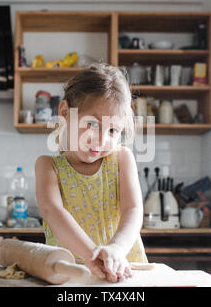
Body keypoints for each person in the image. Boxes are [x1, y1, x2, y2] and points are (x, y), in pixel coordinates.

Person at [35, 63, 147, 283]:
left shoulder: (122, 159)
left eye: (113, 130)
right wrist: (92, 255)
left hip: (122, 271)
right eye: (92, 124)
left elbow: (133, 209)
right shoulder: (48, 166)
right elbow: (52, 212)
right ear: (65, 112)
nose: (101, 140)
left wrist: (116, 249)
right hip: (69, 275)